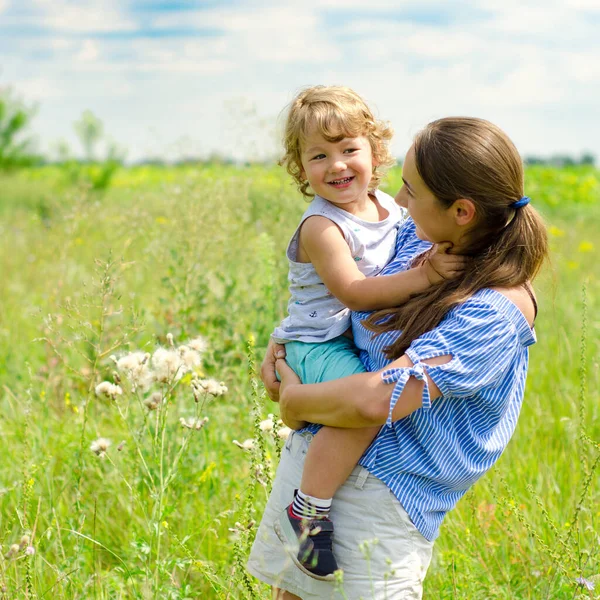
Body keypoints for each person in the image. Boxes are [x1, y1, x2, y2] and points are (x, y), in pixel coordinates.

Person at [247, 116, 548, 600]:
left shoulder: (493, 313)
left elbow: (375, 402)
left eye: (411, 190)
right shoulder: (418, 236)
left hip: (381, 500)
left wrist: (296, 402)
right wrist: (287, 345)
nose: (399, 202)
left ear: (463, 211)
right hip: (316, 468)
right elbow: (342, 296)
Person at [268, 86, 465, 580]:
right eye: (319, 155)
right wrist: (425, 276)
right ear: (301, 168)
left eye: (348, 149)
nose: (336, 165)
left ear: (375, 153)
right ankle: (308, 511)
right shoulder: (322, 226)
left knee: (370, 398)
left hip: (344, 336)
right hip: (321, 341)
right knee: (362, 407)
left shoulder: (388, 209)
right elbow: (354, 292)